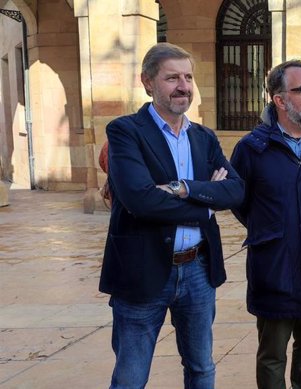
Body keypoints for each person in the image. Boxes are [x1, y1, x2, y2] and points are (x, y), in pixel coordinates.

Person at [99, 42, 245, 389]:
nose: (183, 86)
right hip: (142, 269)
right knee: (131, 377)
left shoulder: (204, 138)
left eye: (188, 77)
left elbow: (237, 190)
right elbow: (141, 200)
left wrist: (183, 188)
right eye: (172, 78)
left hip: (197, 271)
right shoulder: (125, 132)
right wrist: (208, 200)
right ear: (147, 82)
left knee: (201, 369)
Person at [230, 60, 301, 389]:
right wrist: (272, 230)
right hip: (274, 270)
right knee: (272, 358)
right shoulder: (252, 149)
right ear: (279, 100)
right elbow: (240, 201)